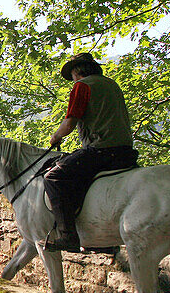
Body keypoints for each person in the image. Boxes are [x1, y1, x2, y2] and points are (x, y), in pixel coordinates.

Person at [41, 52, 138, 251]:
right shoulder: (112, 84)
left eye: (73, 74)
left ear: (78, 71)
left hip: (101, 149)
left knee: (54, 177)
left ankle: (68, 236)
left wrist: (55, 137)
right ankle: (102, 243)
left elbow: (70, 122)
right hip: (125, 151)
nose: (73, 79)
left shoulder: (82, 86)